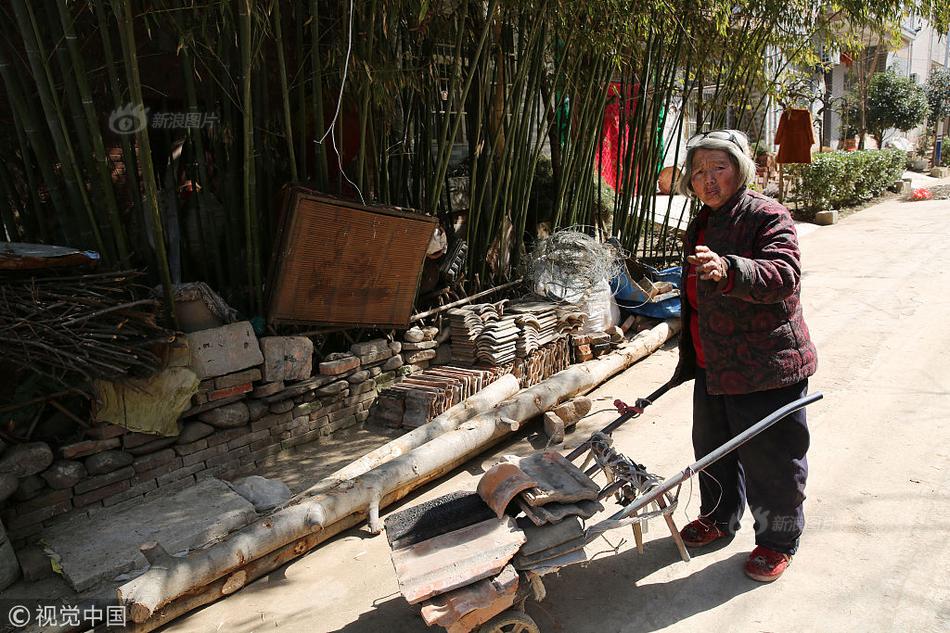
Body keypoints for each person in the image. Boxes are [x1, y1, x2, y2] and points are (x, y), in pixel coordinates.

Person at [671, 129, 817, 582]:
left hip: (766, 365)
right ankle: (719, 518)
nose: (707, 179)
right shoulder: (702, 221)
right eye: (698, 171)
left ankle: (777, 541)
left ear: (741, 169)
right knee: (712, 450)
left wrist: (730, 267)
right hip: (713, 363)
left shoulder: (766, 214)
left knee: (773, 461)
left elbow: (784, 274)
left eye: (719, 167)